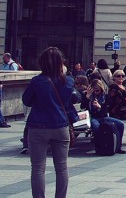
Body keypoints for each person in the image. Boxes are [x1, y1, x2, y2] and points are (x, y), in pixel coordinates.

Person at [22, 46, 76, 198]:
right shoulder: (69, 81)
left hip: (38, 127)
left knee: (38, 168)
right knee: (62, 168)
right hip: (60, 126)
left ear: (42, 63)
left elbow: (26, 101)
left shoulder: (37, 81)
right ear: (61, 63)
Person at [84, 79, 126, 154]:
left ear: (101, 89)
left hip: (103, 117)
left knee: (120, 124)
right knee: (96, 126)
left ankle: (118, 146)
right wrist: (87, 97)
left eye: (98, 91)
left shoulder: (105, 97)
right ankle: (99, 147)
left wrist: (99, 107)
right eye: (94, 90)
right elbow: (82, 106)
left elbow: (105, 111)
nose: (96, 93)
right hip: (93, 117)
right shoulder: (89, 96)